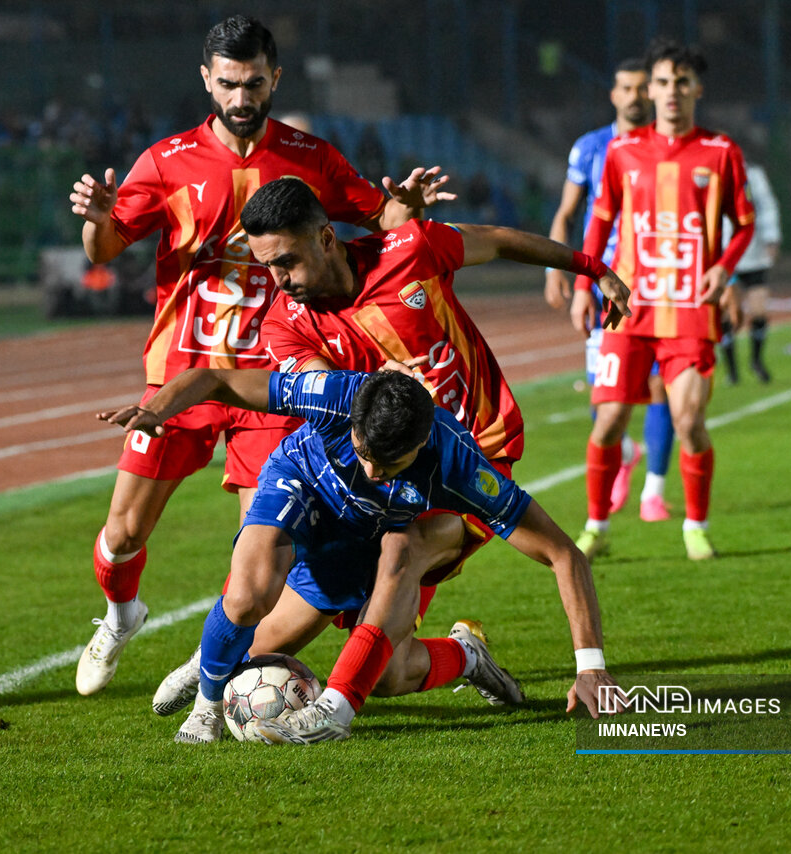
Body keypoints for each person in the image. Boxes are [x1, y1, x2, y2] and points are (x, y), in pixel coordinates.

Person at [146, 176, 631, 725]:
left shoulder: (412, 250)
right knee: (368, 670)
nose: (278, 281)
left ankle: (332, 715)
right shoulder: (287, 324)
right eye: (267, 267)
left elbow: (498, 241)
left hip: (471, 460)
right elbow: (341, 404)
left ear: (326, 239)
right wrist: (385, 381)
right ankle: (465, 654)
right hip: (382, 470)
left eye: (286, 261)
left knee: (408, 546)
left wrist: (591, 268)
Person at [66, 15, 455, 697]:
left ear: (274, 78)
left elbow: (383, 222)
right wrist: (98, 220)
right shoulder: (166, 161)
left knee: (267, 550)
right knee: (122, 533)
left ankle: (222, 673)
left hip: (277, 384)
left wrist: (407, 208)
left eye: (252, 83)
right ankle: (122, 615)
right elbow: (103, 250)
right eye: (227, 83)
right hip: (183, 374)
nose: (240, 97)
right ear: (206, 80)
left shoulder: (312, 158)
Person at [100, 368, 625, 743]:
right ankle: (207, 702)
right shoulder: (334, 394)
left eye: (389, 464)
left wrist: (592, 667)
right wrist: (156, 409)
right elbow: (217, 379)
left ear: (421, 444)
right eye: (364, 453)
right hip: (302, 483)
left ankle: (464, 656)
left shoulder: (458, 463)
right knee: (247, 597)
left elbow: (564, 554)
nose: (371, 472)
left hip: (372, 536)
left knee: (389, 675)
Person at [573, 38, 755, 562]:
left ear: (697, 89)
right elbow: (600, 222)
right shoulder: (622, 151)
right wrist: (584, 285)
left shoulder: (721, 151)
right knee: (609, 421)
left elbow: (745, 224)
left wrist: (724, 268)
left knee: (689, 423)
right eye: (662, 82)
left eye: (681, 82)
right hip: (628, 308)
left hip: (691, 311)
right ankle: (596, 526)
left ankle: (696, 525)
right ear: (649, 90)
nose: (671, 91)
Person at [548, 58, 677, 524]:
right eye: (627, 88)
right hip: (605, 282)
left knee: (660, 386)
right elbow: (568, 213)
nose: (635, 96)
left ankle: (654, 493)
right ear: (614, 95)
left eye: (643, 88)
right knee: (604, 394)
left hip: (658, 283)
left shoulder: (668, 146)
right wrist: (558, 269)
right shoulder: (591, 148)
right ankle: (624, 453)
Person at [719, 160, 781, 383]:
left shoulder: (753, 175)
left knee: (759, 310)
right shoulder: (706, 173)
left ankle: (756, 361)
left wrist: (771, 238)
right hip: (726, 256)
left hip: (754, 256)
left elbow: (767, 206)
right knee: (728, 314)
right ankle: (732, 371)